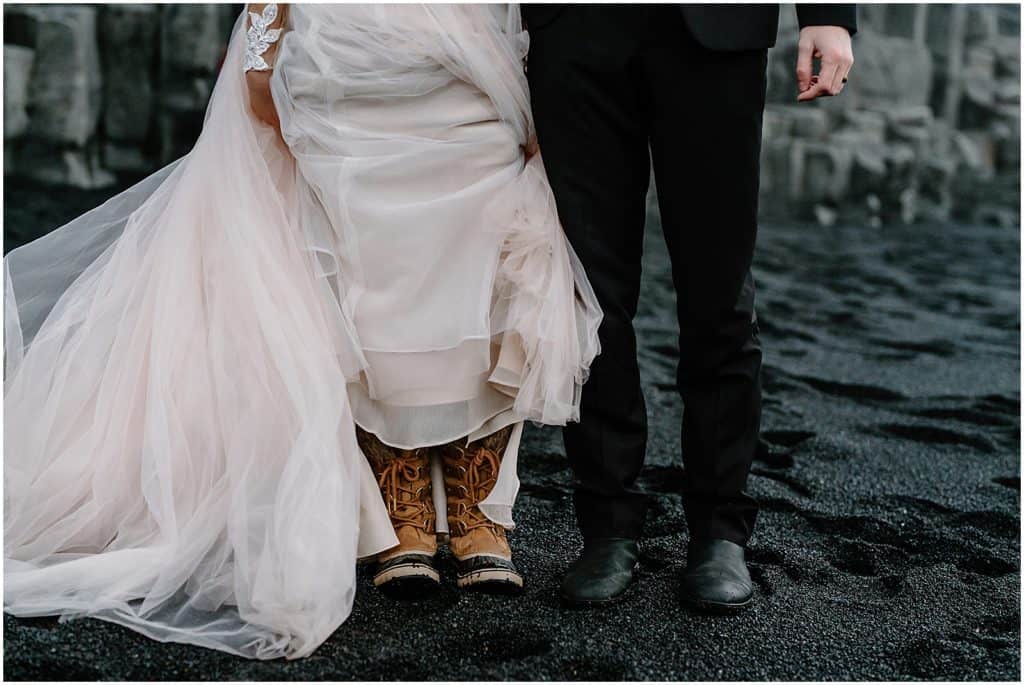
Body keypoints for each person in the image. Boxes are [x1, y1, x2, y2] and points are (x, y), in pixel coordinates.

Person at [4, 4, 600, 660]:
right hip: (350, 44)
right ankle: (401, 498)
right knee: (366, 256)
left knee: (488, 239)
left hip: (476, 40)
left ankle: (474, 495)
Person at [522, 3, 856, 611]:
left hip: (716, 29)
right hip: (575, 28)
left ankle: (720, 530)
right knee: (590, 290)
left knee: (719, 288)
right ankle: (607, 525)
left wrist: (829, 12)